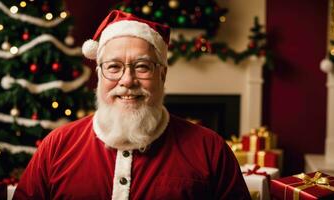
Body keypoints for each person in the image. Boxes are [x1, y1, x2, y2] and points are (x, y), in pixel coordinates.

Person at [14, 10, 250, 200]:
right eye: (114, 67)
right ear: (98, 74)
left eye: (142, 67)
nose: (127, 80)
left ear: (163, 75)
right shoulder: (56, 146)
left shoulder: (211, 150)